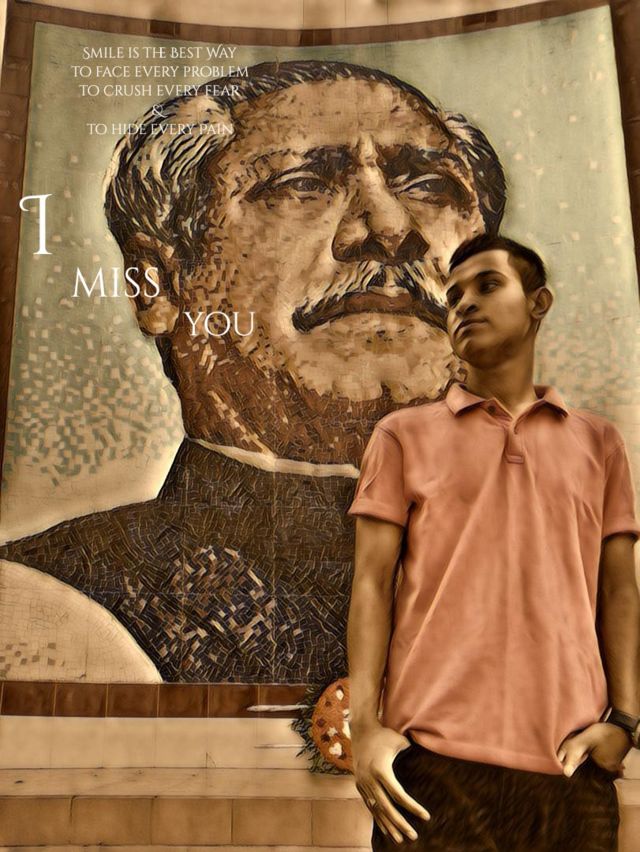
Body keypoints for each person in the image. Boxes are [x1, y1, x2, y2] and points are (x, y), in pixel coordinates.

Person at [0, 61, 506, 683]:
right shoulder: (41, 603)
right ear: (157, 284)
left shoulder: (576, 579)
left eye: (429, 185)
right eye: (301, 184)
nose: (391, 228)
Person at [346, 233, 640, 850]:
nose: (465, 304)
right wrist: (365, 728)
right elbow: (371, 584)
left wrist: (625, 723)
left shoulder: (599, 443)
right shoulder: (402, 436)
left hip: (571, 770)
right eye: (453, 296)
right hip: (431, 771)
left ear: (538, 303)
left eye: (487, 285)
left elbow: (619, 591)